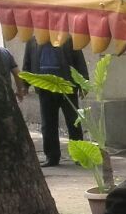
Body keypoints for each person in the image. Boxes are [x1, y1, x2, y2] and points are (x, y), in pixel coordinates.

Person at [22, 36, 89, 168]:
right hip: (45, 88)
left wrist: (84, 83)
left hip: (67, 87)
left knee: (73, 122)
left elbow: (79, 60)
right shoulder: (32, 40)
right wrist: (24, 85)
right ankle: (52, 157)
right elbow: (27, 63)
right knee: (48, 125)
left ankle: (79, 156)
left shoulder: (66, 38)